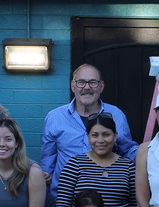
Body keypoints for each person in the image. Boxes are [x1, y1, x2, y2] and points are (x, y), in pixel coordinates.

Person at [41, 63, 137, 197]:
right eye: (81, 82)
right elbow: (48, 159)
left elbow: (127, 151)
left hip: (106, 196)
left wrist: (151, 154)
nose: (87, 87)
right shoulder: (55, 117)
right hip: (65, 197)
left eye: (93, 82)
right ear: (73, 86)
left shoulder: (116, 115)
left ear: (101, 86)